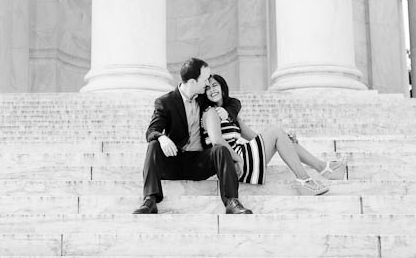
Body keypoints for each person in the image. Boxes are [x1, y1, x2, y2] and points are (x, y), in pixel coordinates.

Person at [133, 58, 252, 214]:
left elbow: (233, 101)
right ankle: (150, 200)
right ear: (192, 81)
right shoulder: (165, 102)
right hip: (173, 160)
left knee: (220, 150)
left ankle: (231, 201)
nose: (208, 84)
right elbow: (151, 131)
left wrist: (229, 112)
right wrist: (162, 138)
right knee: (153, 145)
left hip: (199, 162)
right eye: (204, 80)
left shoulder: (203, 98)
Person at [199, 74, 347, 195]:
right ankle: (307, 178)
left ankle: (324, 169)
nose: (212, 90)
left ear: (222, 88)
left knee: (282, 136)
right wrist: (239, 159)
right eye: (207, 88)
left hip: (243, 156)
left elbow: (254, 138)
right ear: (204, 94)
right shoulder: (209, 113)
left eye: (214, 85)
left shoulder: (232, 116)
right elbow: (217, 141)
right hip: (234, 163)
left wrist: (285, 140)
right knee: (276, 132)